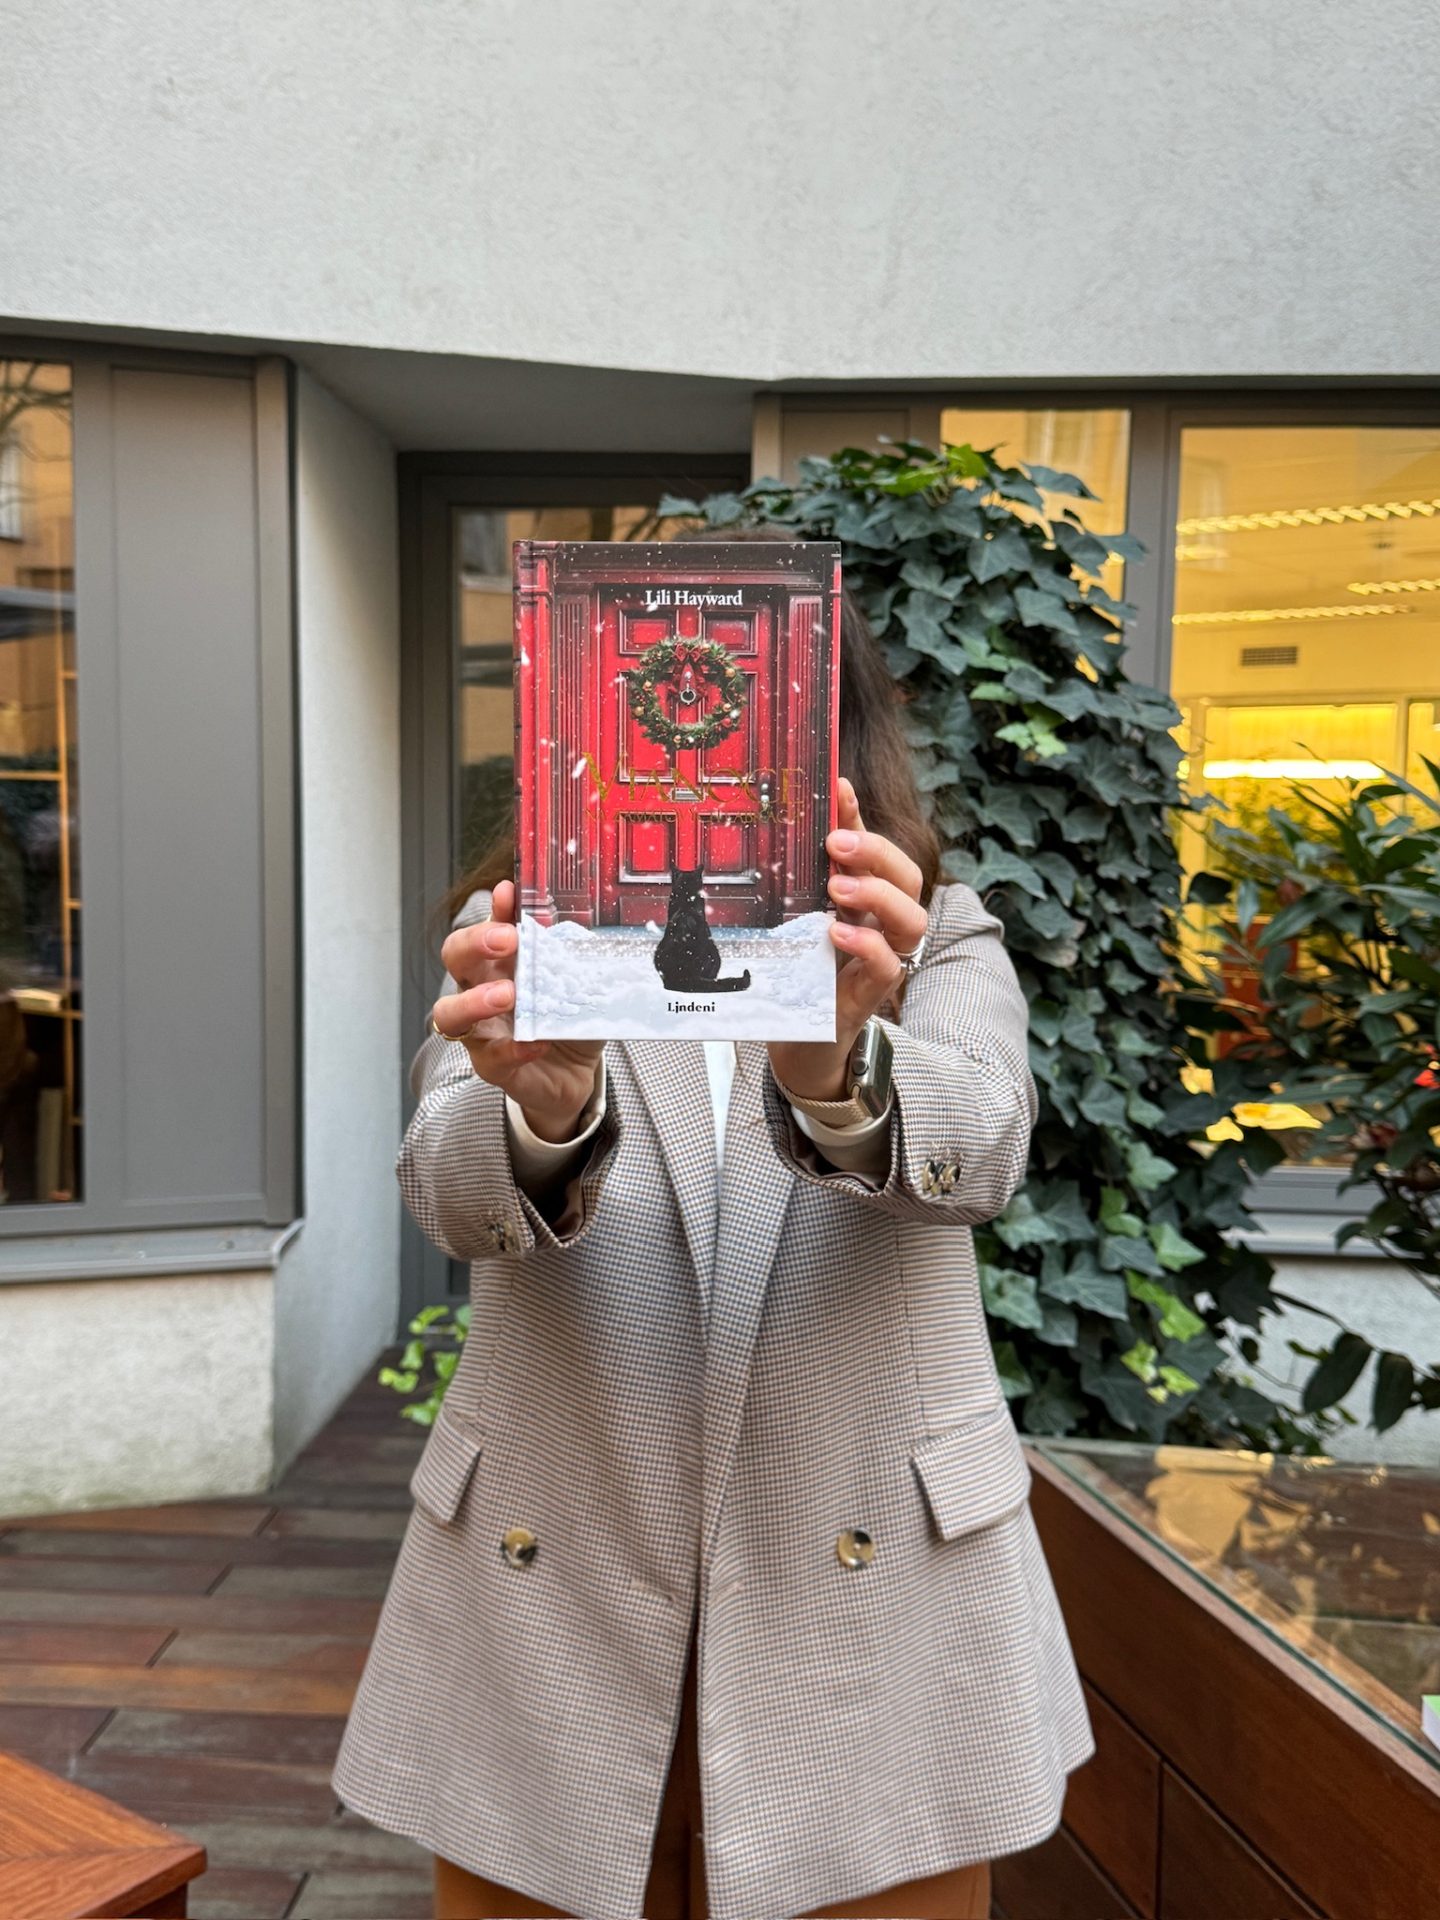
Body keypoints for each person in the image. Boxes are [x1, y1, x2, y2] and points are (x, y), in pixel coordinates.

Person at [331, 541, 1094, 1920]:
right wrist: (544, 1112)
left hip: (874, 1598)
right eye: (644, 697)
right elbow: (446, 1192)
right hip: (550, 1592)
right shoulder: (529, 940)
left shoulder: (930, 933)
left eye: (742, 697)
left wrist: (839, 1069)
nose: (695, 740)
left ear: (823, 720)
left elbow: (984, 1150)